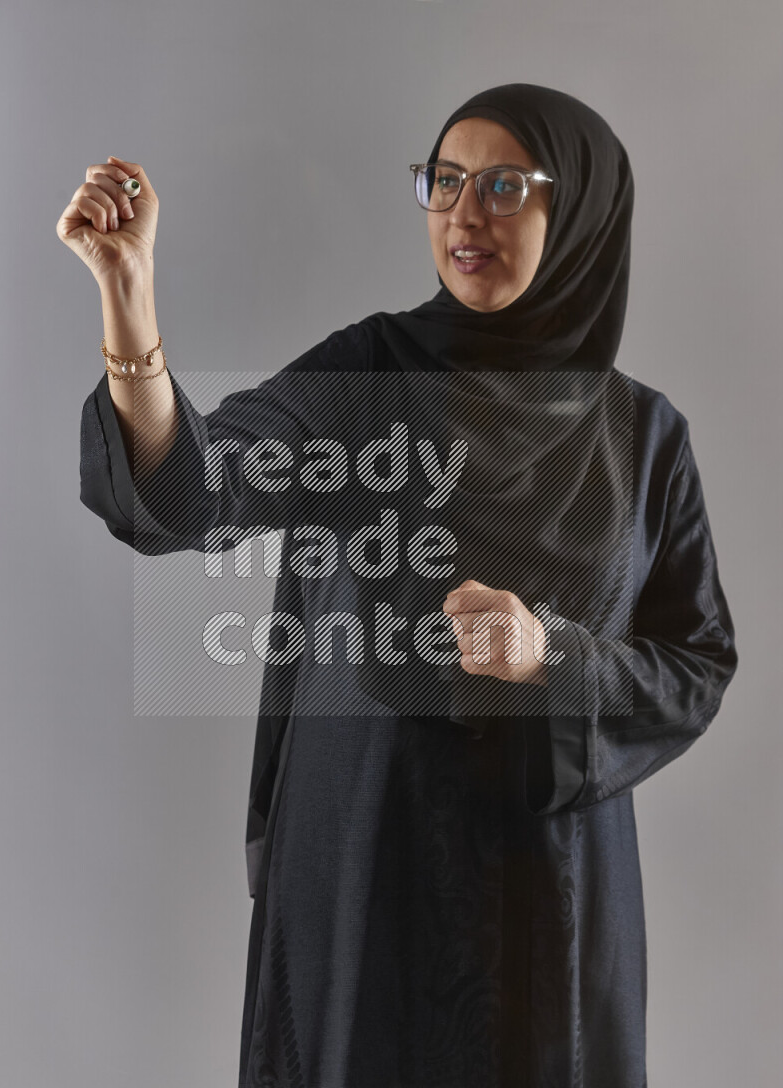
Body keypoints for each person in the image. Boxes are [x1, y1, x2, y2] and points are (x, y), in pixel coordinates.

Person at [58, 84, 738, 1088]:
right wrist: (130, 304)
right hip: (366, 852)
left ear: (582, 209)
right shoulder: (369, 376)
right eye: (444, 181)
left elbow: (694, 664)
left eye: (503, 184)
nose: (464, 213)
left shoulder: (641, 439)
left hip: (549, 895)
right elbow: (196, 492)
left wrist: (551, 649)